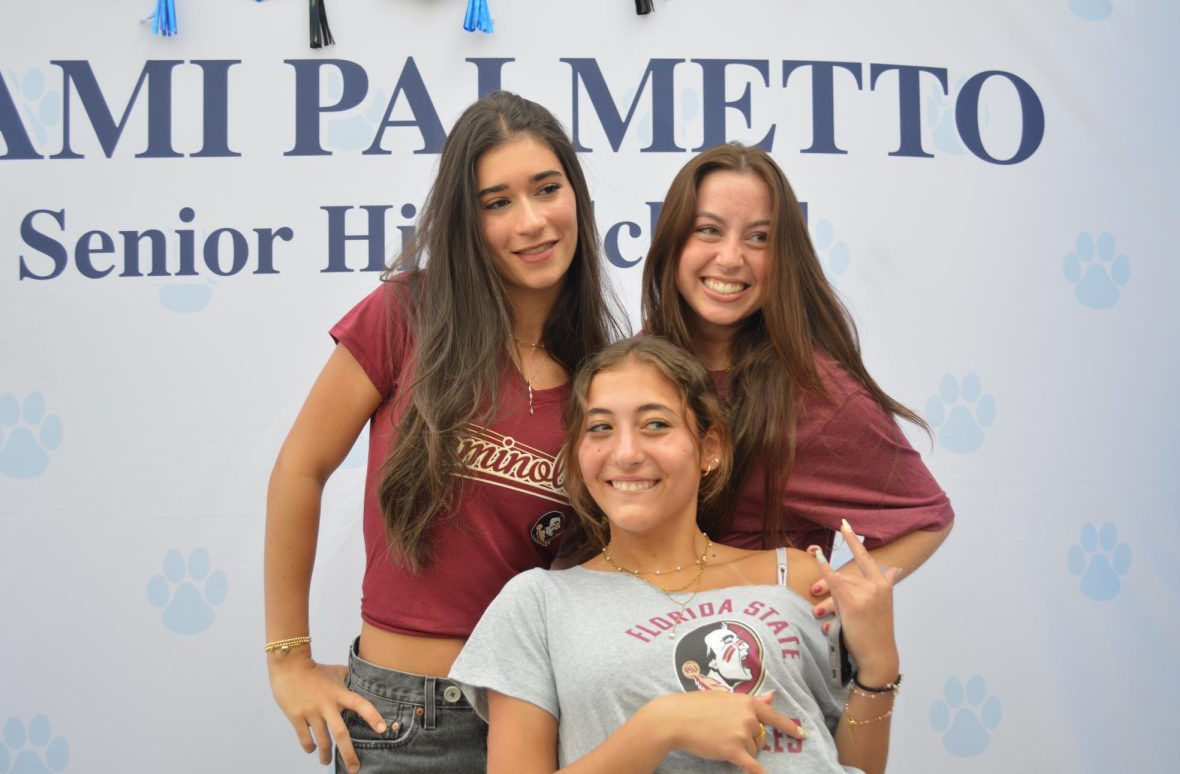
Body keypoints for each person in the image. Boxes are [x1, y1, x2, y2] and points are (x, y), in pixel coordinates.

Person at [263, 91, 623, 774]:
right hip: (405, 725)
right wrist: (288, 659)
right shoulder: (405, 315)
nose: (532, 221)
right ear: (466, 220)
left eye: (548, 189)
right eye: (497, 202)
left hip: (546, 716)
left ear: (576, 195)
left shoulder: (602, 369)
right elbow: (298, 469)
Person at [451, 337, 902, 774]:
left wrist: (879, 666)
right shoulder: (537, 604)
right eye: (601, 427)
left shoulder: (796, 576)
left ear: (710, 447)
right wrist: (657, 729)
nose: (626, 454)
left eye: (656, 425)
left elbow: (850, 764)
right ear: (577, 453)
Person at [641, 143, 954, 619]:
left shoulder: (813, 393)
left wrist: (833, 593)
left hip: (752, 660)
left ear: (785, 255)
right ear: (671, 240)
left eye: (759, 238)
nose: (729, 257)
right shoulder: (635, 364)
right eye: (708, 230)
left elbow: (927, 518)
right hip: (636, 638)